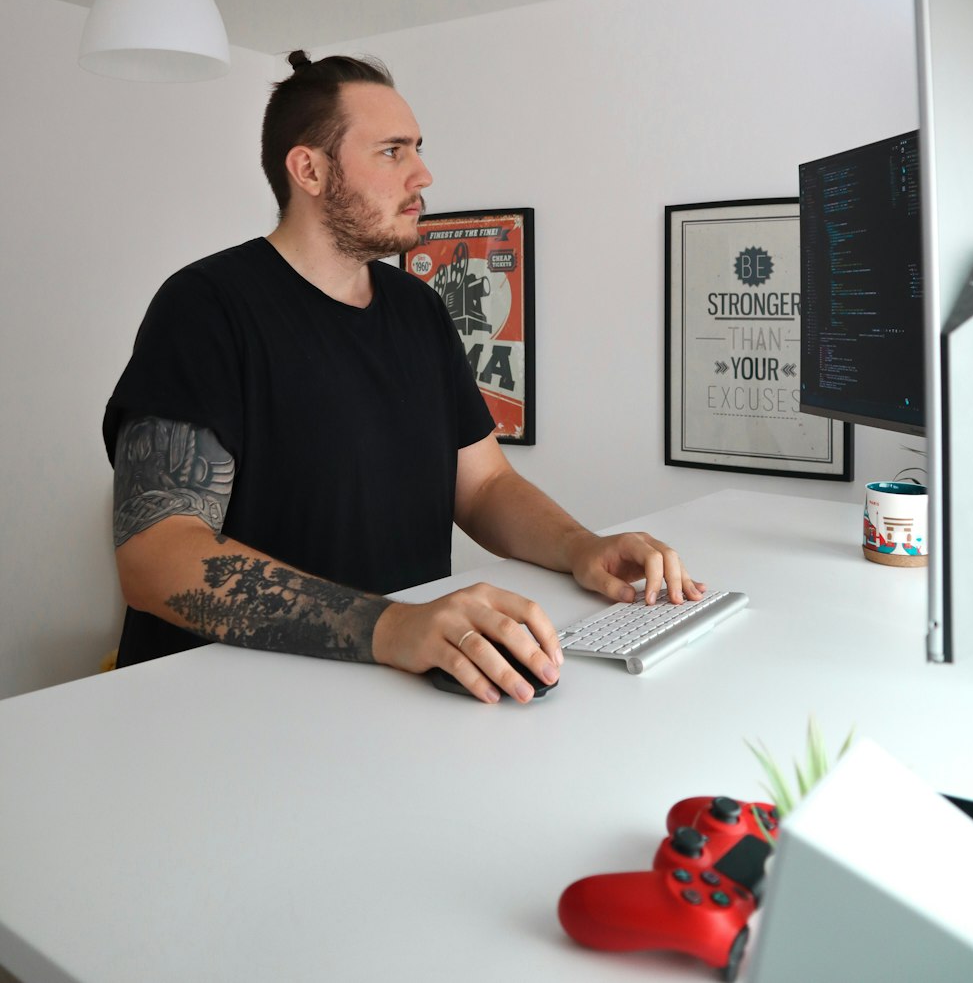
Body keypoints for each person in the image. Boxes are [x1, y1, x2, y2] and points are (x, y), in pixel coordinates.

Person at [108, 51, 704, 703]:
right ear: (308, 168)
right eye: (392, 152)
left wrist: (582, 547)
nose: (422, 173)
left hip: (391, 697)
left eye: (417, 148)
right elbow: (155, 557)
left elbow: (483, 487)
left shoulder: (417, 308)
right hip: (224, 712)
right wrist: (391, 625)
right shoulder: (207, 307)